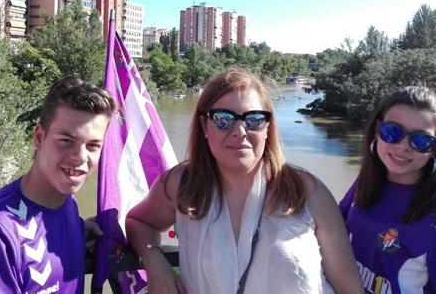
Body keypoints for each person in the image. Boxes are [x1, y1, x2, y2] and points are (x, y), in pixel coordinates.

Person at [126, 67, 363, 294]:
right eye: (223, 119)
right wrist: (154, 260)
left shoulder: (308, 192)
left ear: (268, 127)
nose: (239, 131)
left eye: (253, 119)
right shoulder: (182, 185)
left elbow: (350, 289)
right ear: (204, 125)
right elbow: (139, 222)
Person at [0, 76, 117, 294]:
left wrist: (78, 231)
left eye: (93, 145)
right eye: (66, 141)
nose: (80, 157)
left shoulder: (68, 204)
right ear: (39, 137)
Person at [339, 86, 436, 293]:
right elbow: (333, 229)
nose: (403, 146)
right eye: (392, 132)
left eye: (421, 140)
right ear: (376, 131)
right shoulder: (366, 183)